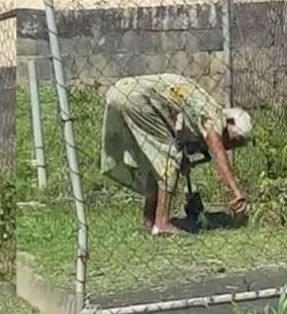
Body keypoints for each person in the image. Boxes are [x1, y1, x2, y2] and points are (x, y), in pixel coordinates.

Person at [100, 73, 253, 236]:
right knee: (169, 157)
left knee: (155, 161)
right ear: (229, 122)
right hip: (136, 98)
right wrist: (237, 192)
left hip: (120, 91)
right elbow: (217, 151)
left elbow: (178, 131)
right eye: (235, 140)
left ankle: (149, 220)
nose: (230, 146)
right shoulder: (214, 114)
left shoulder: (203, 108)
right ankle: (162, 224)